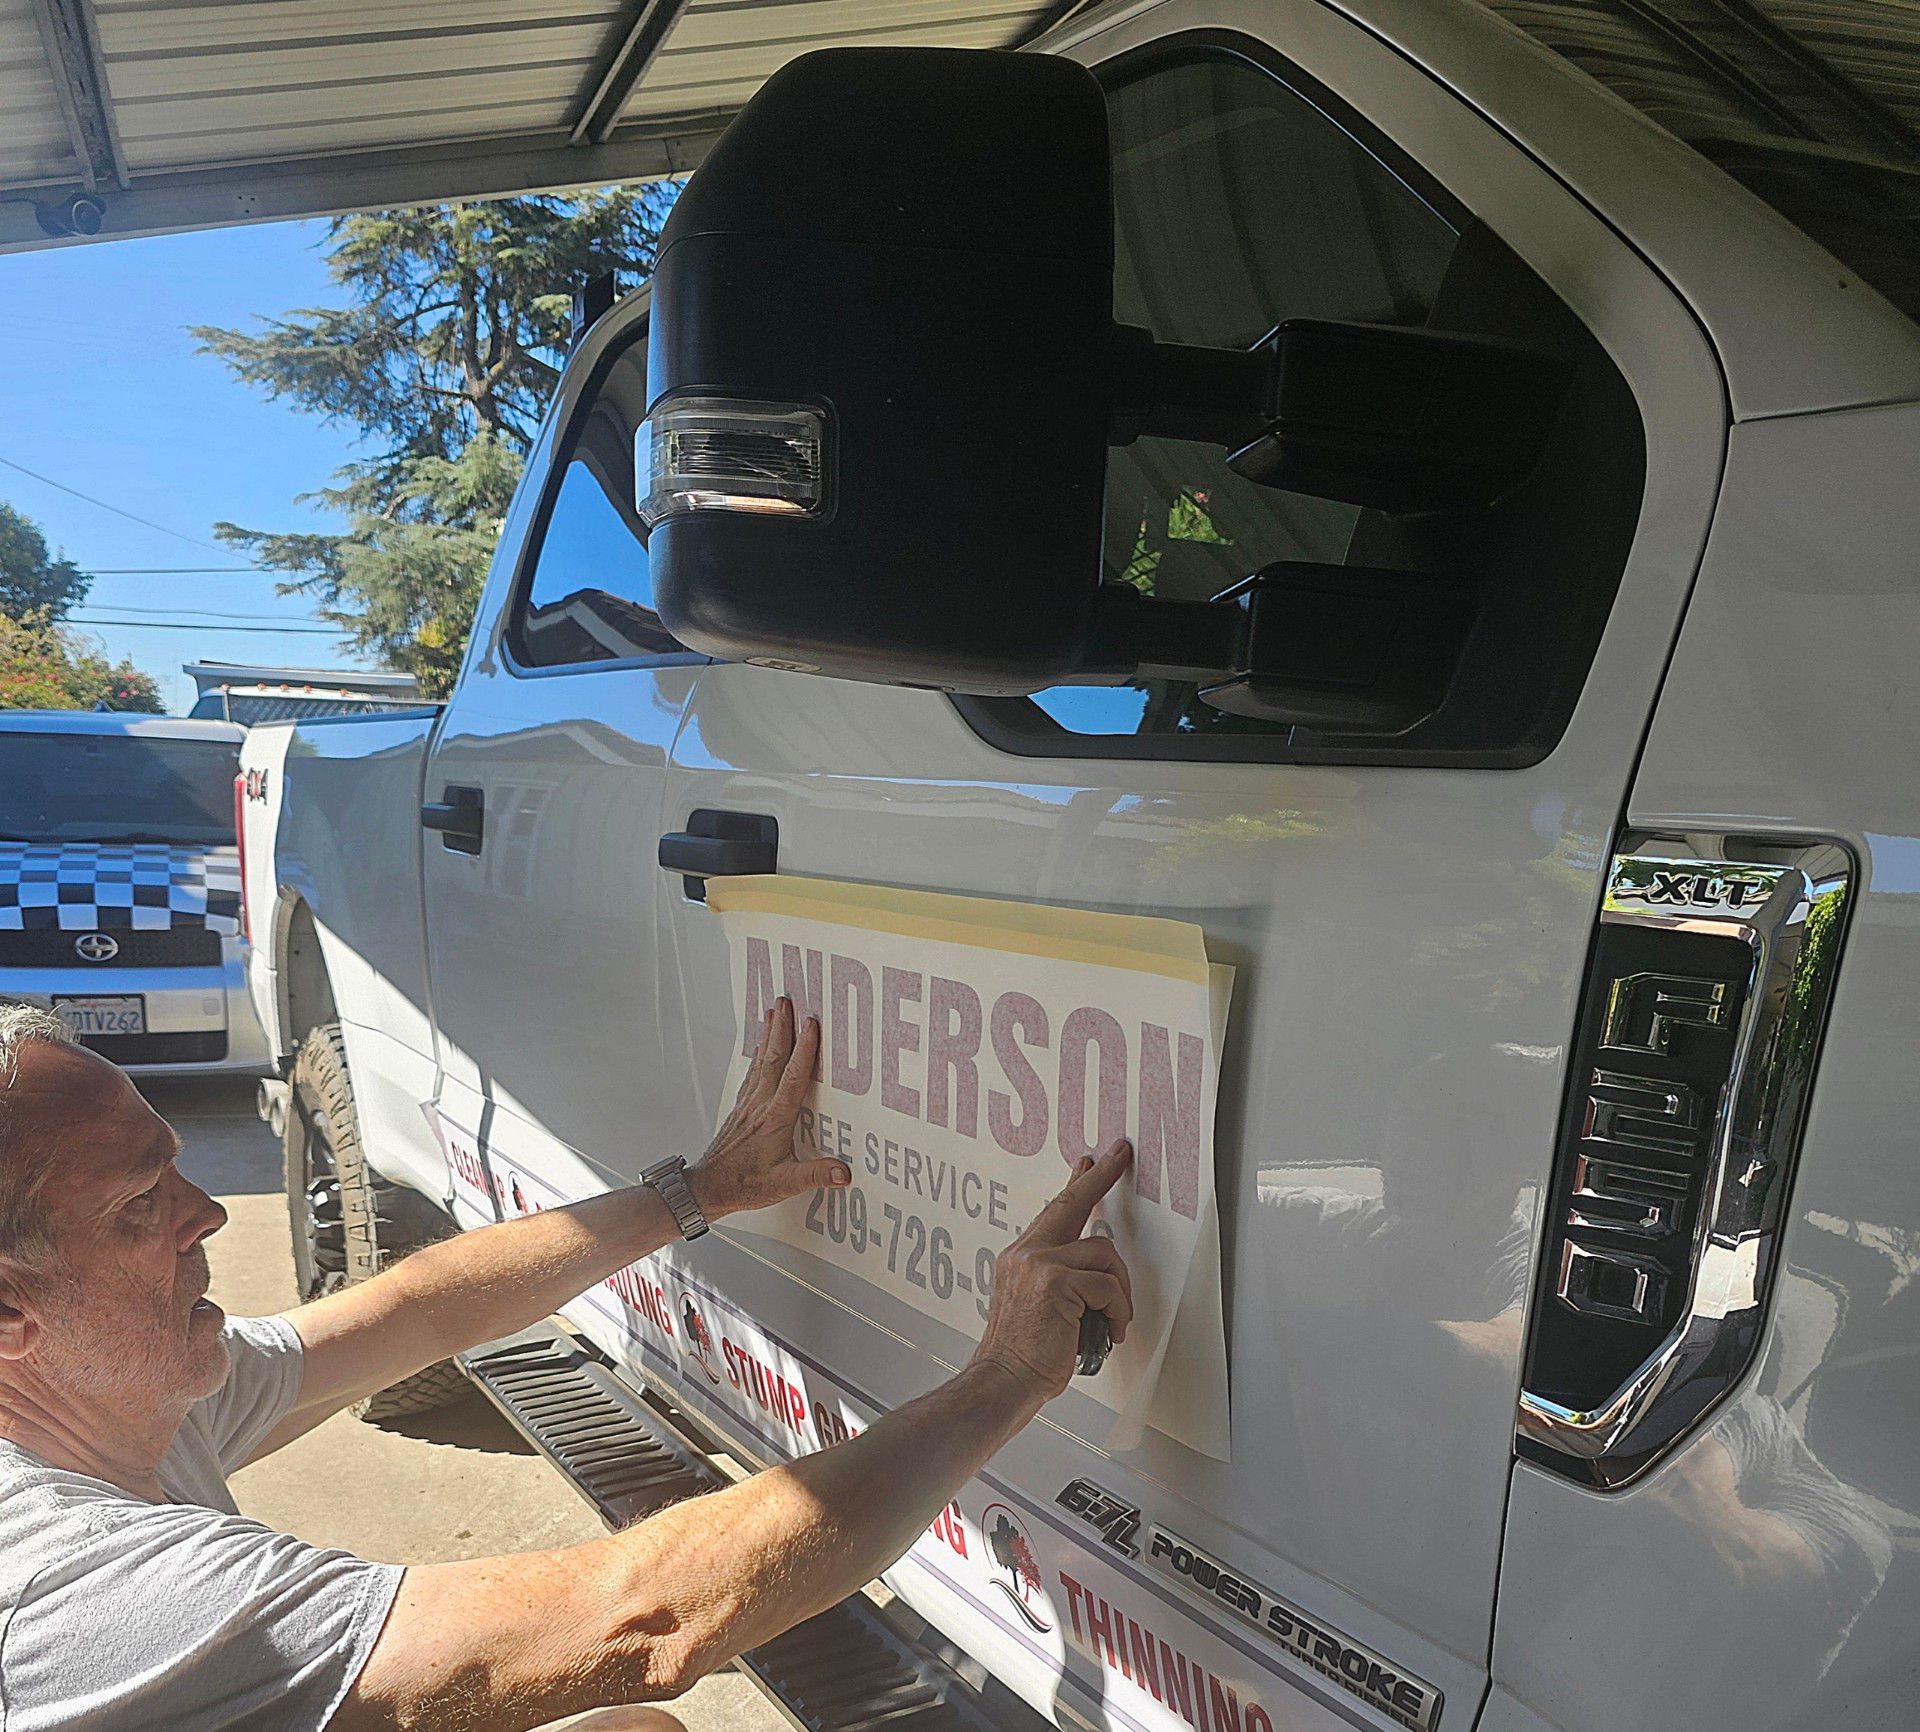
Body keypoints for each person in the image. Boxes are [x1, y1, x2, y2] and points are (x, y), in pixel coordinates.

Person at [0, 997, 1133, 1731]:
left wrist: (697, 1192)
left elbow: (412, 1309)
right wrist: (1003, 1380)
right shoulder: (78, 1587)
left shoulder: (108, 1389)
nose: (205, 1214)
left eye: (178, 1172)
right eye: (141, 1205)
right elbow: (640, 1620)